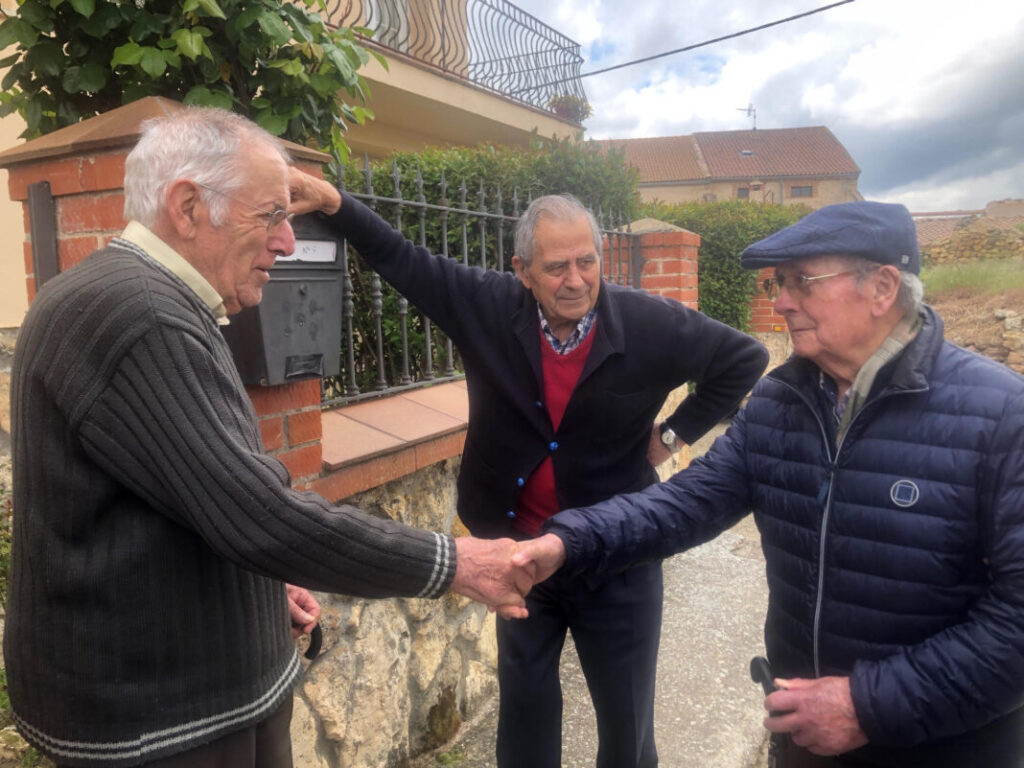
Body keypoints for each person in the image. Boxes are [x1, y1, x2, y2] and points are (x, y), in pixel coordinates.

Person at [4, 107, 532, 768]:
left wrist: (258, 590)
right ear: (188, 206)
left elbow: (183, 494)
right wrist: (457, 563)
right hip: (161, 723)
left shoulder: (150, 303)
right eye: (271, 216)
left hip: (190, 698)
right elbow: (257, 515)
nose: (287, 244)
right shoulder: (138, 317)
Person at [513, 201, 1024, 767]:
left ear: (882, 287)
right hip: (805, 741)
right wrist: (566, 542)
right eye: (778, 282)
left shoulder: (1001, 415)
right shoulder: (783, 399)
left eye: (802, 281)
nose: (779, 301)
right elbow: (687, 503)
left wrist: (868, 706)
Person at [287, 173, 769, 768]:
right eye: (556, 267)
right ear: (523, 270)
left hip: (618, 555)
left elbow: (744, 358)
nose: (575, 281)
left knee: (627, 723)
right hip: (518, 557)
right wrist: (335, 203)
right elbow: (401, 258)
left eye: (586, 262)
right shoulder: (488, 305)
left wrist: (670, 437)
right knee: (526, 709)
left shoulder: (650, 323)